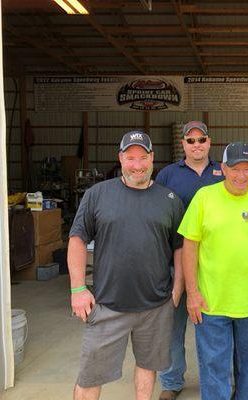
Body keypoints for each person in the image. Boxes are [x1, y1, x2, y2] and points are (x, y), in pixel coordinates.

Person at [68, 131, 184, 400]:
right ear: (120, 158)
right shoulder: (98, 194)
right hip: (107, 304)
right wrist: (77, 289)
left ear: (152, 158)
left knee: (147, 366)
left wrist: (177, 288)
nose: (137, 165)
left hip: (155, 306)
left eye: (143, 157)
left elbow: (180, 246)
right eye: (130, 158)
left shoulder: (169, 200)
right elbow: (77, 239)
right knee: (90, 375)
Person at [179, 142, 248, 400]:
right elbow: (189, 247)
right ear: (223, 168)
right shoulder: (204, 197)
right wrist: (192, 293)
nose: (241, 176)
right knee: (215, 368)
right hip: (212, 303)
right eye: (235, 168)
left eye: (247, 169)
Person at [155, 121, 224, 400]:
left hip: (214, 261)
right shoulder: (168, 174)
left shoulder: (223, 172)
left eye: (202, 139)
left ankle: (216, 382)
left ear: (209, 142)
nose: (197, 145)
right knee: (172, 324)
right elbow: (155, 212)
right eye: (191, 140)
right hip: (173, 259)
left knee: (214, 328)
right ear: (182, 144)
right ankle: (171, 381)